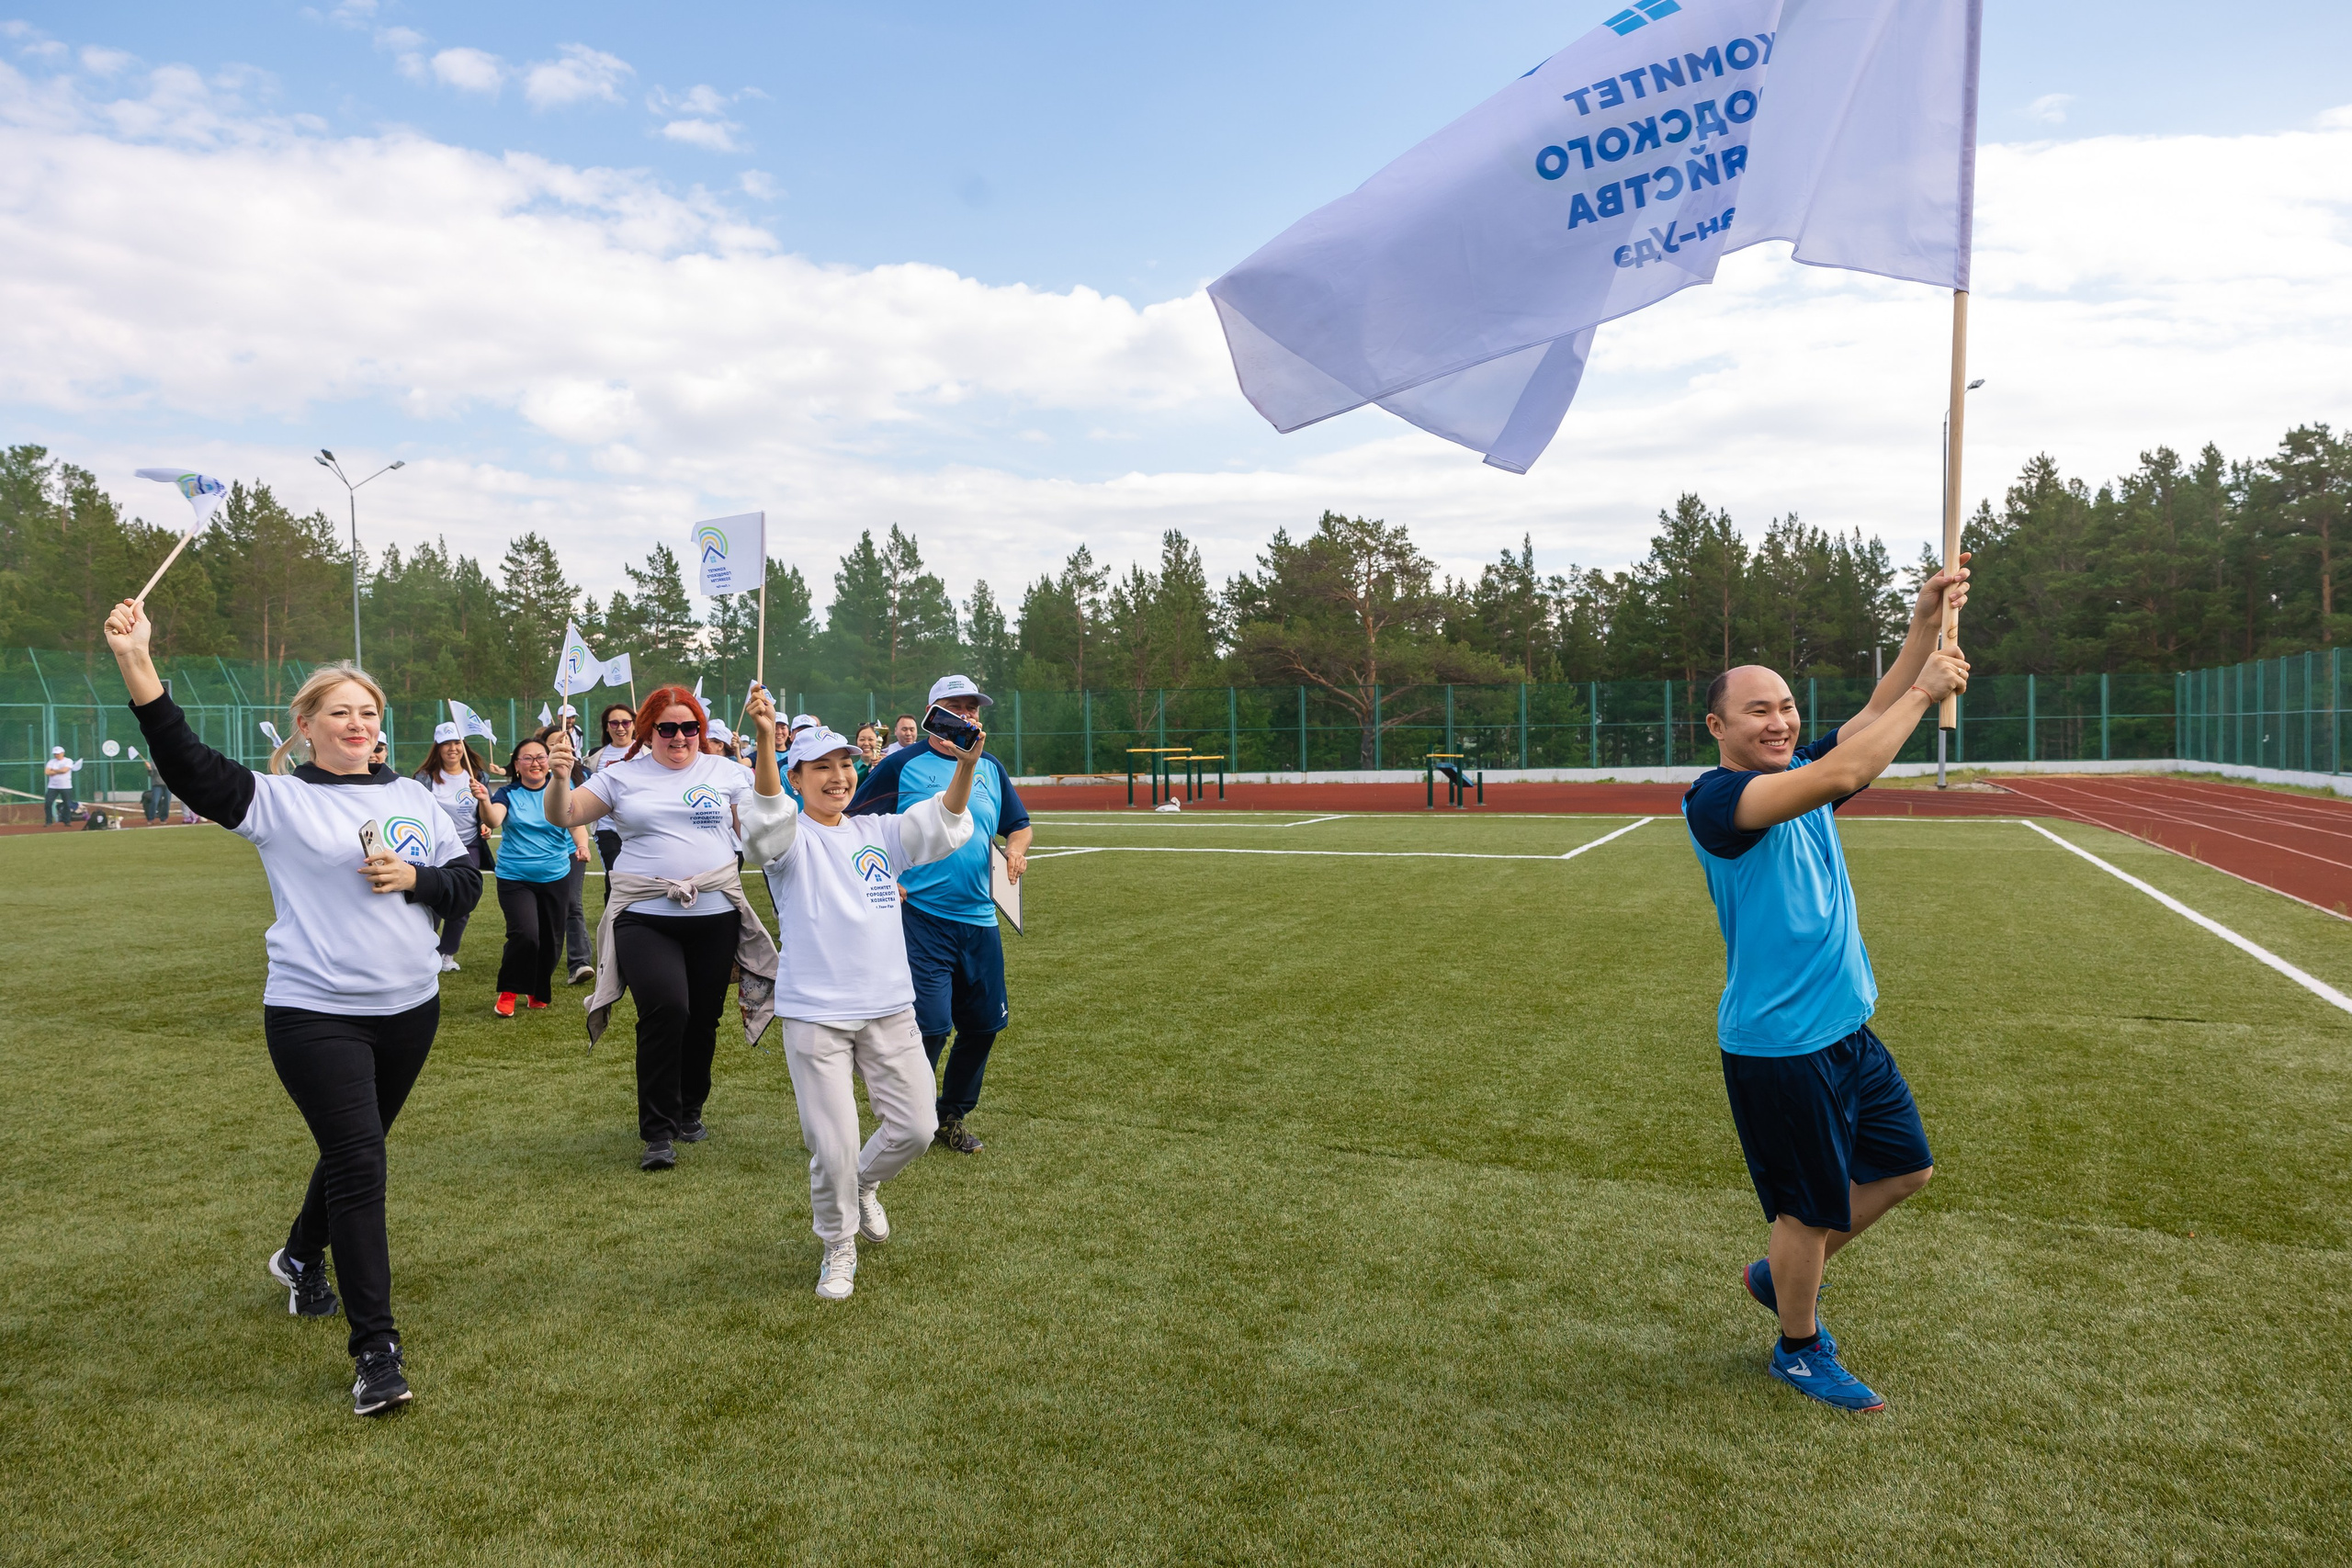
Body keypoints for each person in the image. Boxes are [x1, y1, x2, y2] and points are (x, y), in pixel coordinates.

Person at [103, 598, 479, 1416]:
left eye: (368, 711)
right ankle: (376, 1351)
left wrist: (416, 879)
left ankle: (301, 1257)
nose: (357, 722)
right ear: (305, 724)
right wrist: (140, 664)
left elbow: (466, 883)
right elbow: (189, 763)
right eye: (339, 711)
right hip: (315, 1013)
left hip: (411, 1009)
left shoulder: (415, 797)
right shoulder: (279, 801)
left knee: (358, 1149)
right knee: (362, 1165)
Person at [1682, 558, 1973, 1415]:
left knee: (1906, 1168)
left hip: (1844, 1029)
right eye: (1758, 709)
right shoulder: (1720, 800)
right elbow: (1848, 767)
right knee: (1808, 1209)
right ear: (1717, 725)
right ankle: (1799, 1346)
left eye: (1786, 706)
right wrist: (1926, 693)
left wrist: (1925, 620)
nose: (1780, 721)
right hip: (1781, 1045)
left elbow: (1868, 722)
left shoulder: (1799, 775)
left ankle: (1782, 1275)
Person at [741, 696, 983, 1300]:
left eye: (844, 764)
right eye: (819, 767)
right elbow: (767, 817)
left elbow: (944, 821)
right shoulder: (789, 840)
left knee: (916, 1126)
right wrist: (768, 738)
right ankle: (838, 1245)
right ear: (796, 778)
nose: (838, 776)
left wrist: (967, 764)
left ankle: (863, 1185)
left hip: (888, 1006)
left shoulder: (877, 832)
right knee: (833, 1144)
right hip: (815, 1014)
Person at [546, 686, 780, 1172]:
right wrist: (560, 777)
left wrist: (765, 741)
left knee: (702, 1017)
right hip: (643, 914)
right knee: (667, 1009)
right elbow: (563, 815)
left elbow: (765, 822)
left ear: (700, 729)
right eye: (667, 728)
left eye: (689, 727)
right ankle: (656, 1131)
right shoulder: (621, 775)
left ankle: (689, 1109)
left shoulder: (727, 772)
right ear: (648, 729)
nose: (679, 737)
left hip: (715, 914)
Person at [848, 674, 1030, 1155]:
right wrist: (884, 876)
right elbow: (851, 826)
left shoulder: (989, 766)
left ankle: (950, 1116)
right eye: (957, 708)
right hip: (920, 918)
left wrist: (1015, 850)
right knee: (930, 1023)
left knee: (985, 1026)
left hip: (980, 921)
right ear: (934, 714)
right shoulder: (900, 764)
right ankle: (907, 1115)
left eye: (973, 708)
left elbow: (1019, 824)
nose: (968, 716)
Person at [481, 736, 591, 1017]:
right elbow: (494, 820)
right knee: (526, 934)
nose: (535, 763)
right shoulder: (507, 794)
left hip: (556, 875)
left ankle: (537, 991)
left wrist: (582, 845)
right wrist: (484, 800)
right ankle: (509, 990)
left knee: (552, 940)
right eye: (527, 758)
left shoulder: (562, 788)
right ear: (516, 765)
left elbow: (575, 823)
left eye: (541, 757)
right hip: (515, 877)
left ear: (550, 761)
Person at [415, 727, 494, 973]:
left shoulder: (477, 775)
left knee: (461, 902)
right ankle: (424, 949)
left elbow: (485, 808)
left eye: (457, 743)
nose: (453, 748)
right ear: (438, 747)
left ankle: (446, 953)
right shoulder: (424, 778)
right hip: (435, 847)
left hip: (467, 846)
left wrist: (484, 824)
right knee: (432, 901)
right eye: (446, 743)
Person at [44, 746, 82, 822]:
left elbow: (64, 770)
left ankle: (67, 821)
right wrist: (58, 771)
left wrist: (53, 770)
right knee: (48, 803)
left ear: (62, 753)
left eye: (58, 754)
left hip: (66, 786)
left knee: (67, 804)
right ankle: (49, 820)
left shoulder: (68, 761)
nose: (56, 755)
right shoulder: (51, 762)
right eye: (55, 754)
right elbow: (47, 772)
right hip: (52, 786)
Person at [137, 747, 172, 821]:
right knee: (155, 801)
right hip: (157, 785)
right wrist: (149, 769)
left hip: (167, 786)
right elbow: (151, 774)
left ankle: (163, 818)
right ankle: (150, 818)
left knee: (167, 802)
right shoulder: (153, 763)